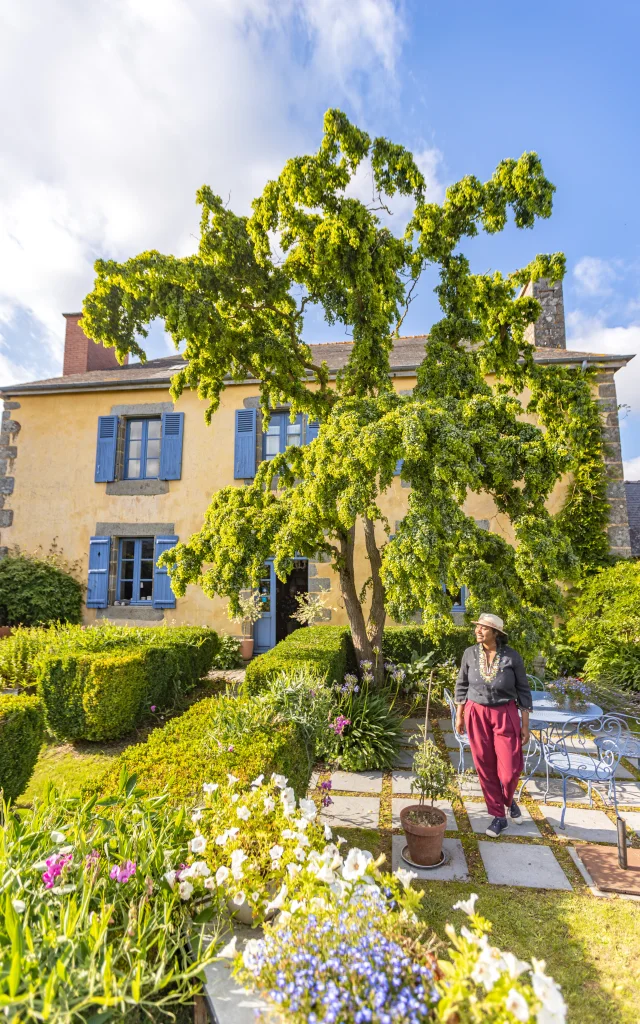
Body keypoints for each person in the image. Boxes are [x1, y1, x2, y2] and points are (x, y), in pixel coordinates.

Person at [455, 613, 531, 838]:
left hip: (505, 713)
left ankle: (507, 800)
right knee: (484, 765)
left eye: (483, 628)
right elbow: (462, 685)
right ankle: (499, 815)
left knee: (510, 770)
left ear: (496, 633)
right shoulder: (469, 653)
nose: (478, 630)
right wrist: (460, 716)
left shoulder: (512, 657)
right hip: (476, 713)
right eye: (477, 627)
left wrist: (525, 724)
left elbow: (524, 690)